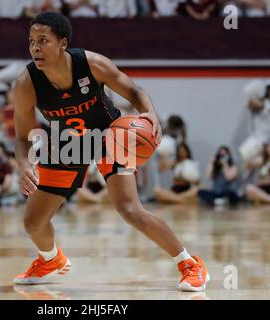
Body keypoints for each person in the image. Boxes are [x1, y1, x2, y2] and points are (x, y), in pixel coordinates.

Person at [13, 12, 209, 291]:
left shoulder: (92, 64)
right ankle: (51, 259)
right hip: (67, 143)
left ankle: (190, 264)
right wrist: (23, 164)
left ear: (63, 43)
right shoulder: (26, 84)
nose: (35, 47)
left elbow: (135, 91)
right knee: (33, 223)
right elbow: (22, 137)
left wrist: (150, 114)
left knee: (129, 209)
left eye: (43, 40)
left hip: (109, 135)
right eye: (31, 41)